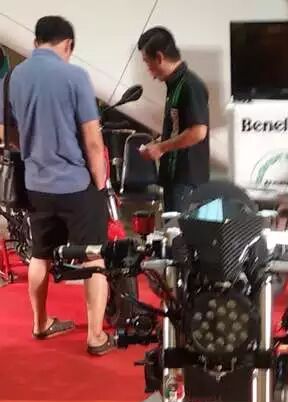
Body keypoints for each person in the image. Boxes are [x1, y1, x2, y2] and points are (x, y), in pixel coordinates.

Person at [0, 16, 113, 355]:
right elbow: (92, 141)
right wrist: (100, 183)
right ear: (68, 45)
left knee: (40, 255)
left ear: (36, 42)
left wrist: (34, 148)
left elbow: (6, 134)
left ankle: (40, 323)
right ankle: (95, 337)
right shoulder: (75, 76)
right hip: (76, 184)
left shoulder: (11, 79)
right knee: (93, 257)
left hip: (36, 185)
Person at [137, 27, 210, 213]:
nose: (149, 71)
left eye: (147, 63)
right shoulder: (175, 85)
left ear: (159, 57)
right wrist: (158, 142)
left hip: (187, 181)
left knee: (178, 229)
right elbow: (179, 127)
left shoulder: (190, 85)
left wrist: (161, 148)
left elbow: (198, 131)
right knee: (171, 227)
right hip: (175, 179)